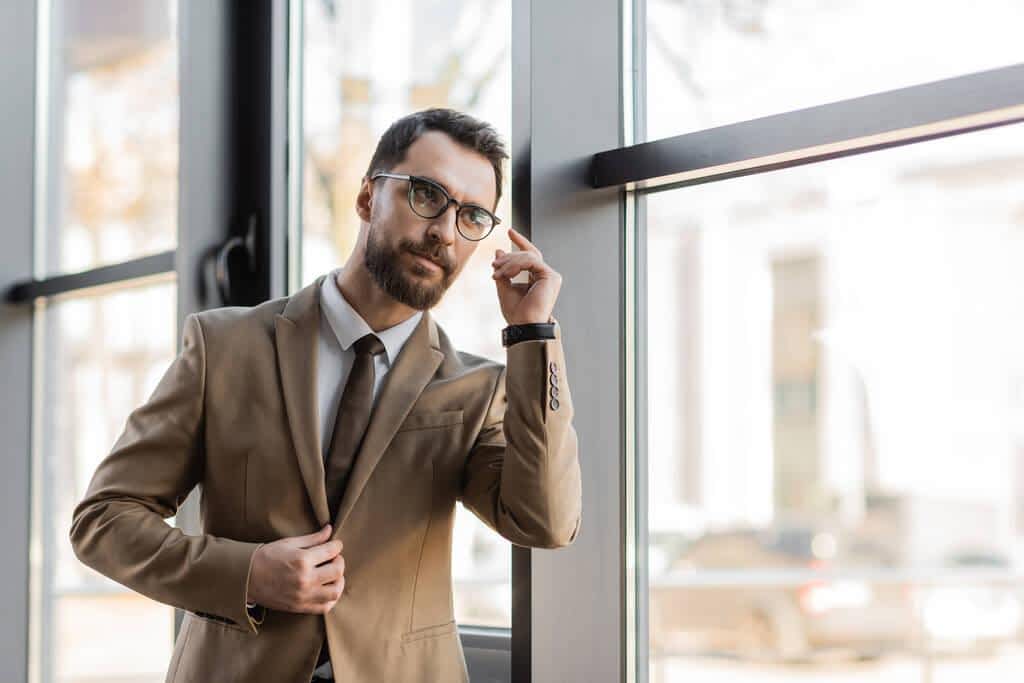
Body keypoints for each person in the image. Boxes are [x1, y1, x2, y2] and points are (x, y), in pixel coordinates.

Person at [69, 108, 582, 683]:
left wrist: (533, 335)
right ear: (367, 199)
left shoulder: (475, 389)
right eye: (426, 195)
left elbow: (545, 522)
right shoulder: (225, 347)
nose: (444, 229)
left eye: (471, 216)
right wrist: (247, 574)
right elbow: (103, 521)